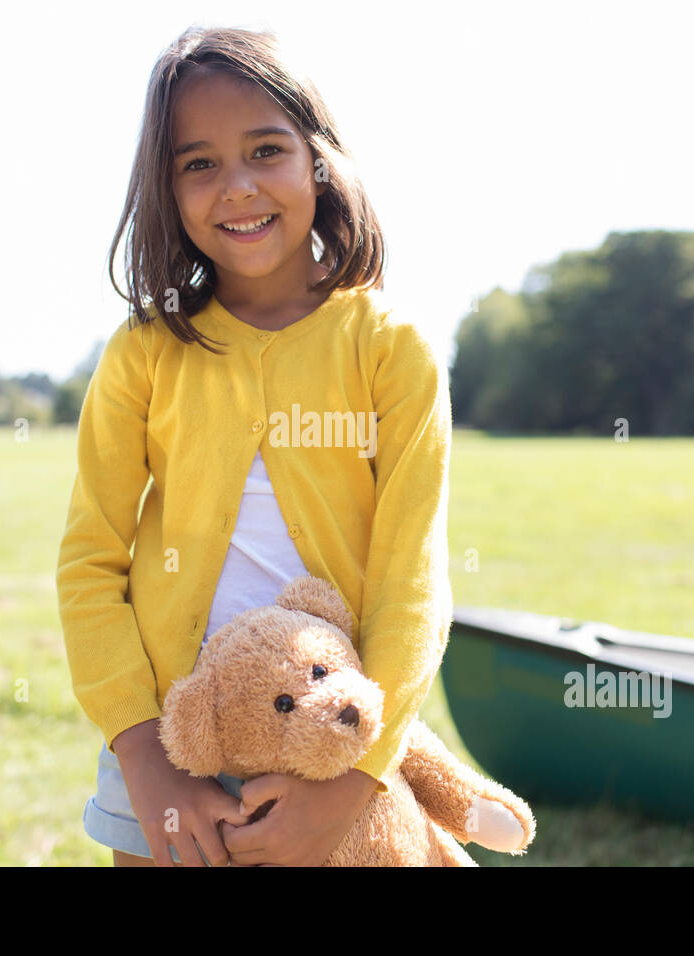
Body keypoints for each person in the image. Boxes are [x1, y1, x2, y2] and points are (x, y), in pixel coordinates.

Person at [55, 25, 453, 867]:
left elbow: (411, 582)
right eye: (198, 163)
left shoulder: (392, 348)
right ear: (167, 188)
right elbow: (90, 560)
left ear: (317, 160)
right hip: (167, 749)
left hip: (333, 745)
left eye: (265, 149)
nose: (235, 187)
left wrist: (347, 789)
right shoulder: (143, 352)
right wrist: (145, 759)